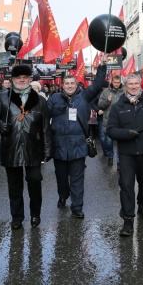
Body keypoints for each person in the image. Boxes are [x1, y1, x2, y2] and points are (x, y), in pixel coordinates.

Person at [0, 64, 53, 230]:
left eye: (25, 77)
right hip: (11, 147)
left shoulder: (40, 100)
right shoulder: (3, 98)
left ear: (29, 79)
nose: (22, 80)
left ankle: (35, 214)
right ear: (13, 80)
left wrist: (47, 149)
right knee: (14, 185)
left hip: (33, 148)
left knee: (35, 181)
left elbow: (46, 127)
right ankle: (17, 217)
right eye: (18, 77)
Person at [47, 55, 108, 219]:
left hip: (78, 144)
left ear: (76, 85)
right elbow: (46, 114)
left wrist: (102, 66)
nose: (69, 86)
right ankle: (63, 195)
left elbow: (97, 85)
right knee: (61, 178)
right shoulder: (54, 98)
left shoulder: (84, 96)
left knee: (77, 178)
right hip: (59, 145)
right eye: (66, 83)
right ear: (62, 85)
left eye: (72, 83)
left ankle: (77, 207)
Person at [106, 73, 143, 237]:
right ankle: (127, 219)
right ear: (125, 86)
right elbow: (110, 130)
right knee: (126, 186)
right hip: (127, 154)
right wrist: (126, 134)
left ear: (140, 85)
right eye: (130, 84)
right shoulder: (118, 107)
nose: (133, 86)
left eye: (136, 84)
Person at [98, 74, 126, 167]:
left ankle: (119, 161)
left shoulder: (124, 92)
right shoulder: (105, 92)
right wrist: (107, 101)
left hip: (121, 121)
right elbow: (100, 105)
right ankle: (110, 156)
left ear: (120, 82)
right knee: (109, 141)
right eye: (115, 82)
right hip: (109, 121)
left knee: (120, 142)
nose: (116, 84)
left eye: (118, 82)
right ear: (112, 82)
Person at [90, 80, 108, 158]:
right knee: (102, 135)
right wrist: (98, 110)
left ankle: (109, 152)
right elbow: (92, 103)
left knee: (108, 136)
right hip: (101, 117)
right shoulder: (98, 94)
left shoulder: (112, 93)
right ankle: (106, 151)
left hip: (110, 117)